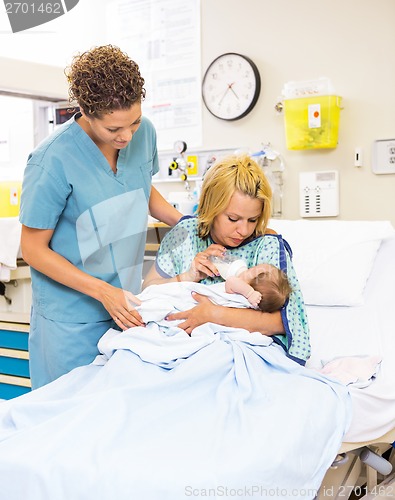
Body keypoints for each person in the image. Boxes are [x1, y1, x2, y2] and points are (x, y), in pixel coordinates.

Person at [19, 45, 182, 389]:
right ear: (85, 114)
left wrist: (183, 221)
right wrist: (101, 291)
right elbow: (33, 249)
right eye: (113, 130)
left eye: (134, 122)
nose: (127, 136)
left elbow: (140, 184)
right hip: (71, 320)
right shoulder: (51, 161)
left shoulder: (144, 133)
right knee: (66, 420)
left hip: (126, 310)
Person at [143, 154, 310, 365]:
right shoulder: (185, 234)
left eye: (253, 220)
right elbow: (148, 290)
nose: (243, 230)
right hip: (174, 345)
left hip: (236, 351)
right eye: (233, 219)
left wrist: (213, 314)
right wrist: (189, 276)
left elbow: (286, 321)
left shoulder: (266, 245)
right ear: (211, 208)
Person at [225, 262, 292, 312]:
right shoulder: (254, 308)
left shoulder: (243, 292)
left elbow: (231, 280)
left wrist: (250, 293)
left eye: (251, 270)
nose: (247, 269)